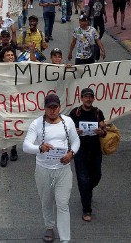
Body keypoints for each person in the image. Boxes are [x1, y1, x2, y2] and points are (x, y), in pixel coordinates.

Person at [23, 93, 80, 243]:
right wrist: (40, 148)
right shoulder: (36, 124)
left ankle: (65, 239)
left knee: (62, 204)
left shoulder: (67, 122)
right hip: (43, 169)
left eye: (55, 107)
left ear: (60, 107)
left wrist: (71, 153)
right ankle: (49, 227)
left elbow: (76, 141)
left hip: (63, 169)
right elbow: (26, 146)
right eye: (50, 107)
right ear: (45, 108)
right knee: (46, 201)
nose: (53, 111)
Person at [67, 87, 107, 222]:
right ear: (81, 98)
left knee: (96, 177)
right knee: (83, 180)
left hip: (95, 151)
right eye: (86, 97)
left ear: (93, 99)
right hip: (80, 151)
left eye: (90, 97)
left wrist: (101, 132)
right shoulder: (75, 113)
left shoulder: (97, 112)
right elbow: (67, 130)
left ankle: (86, 192)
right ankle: (86, 210)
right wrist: (74, 132)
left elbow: (104, 129)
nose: (88, 99)